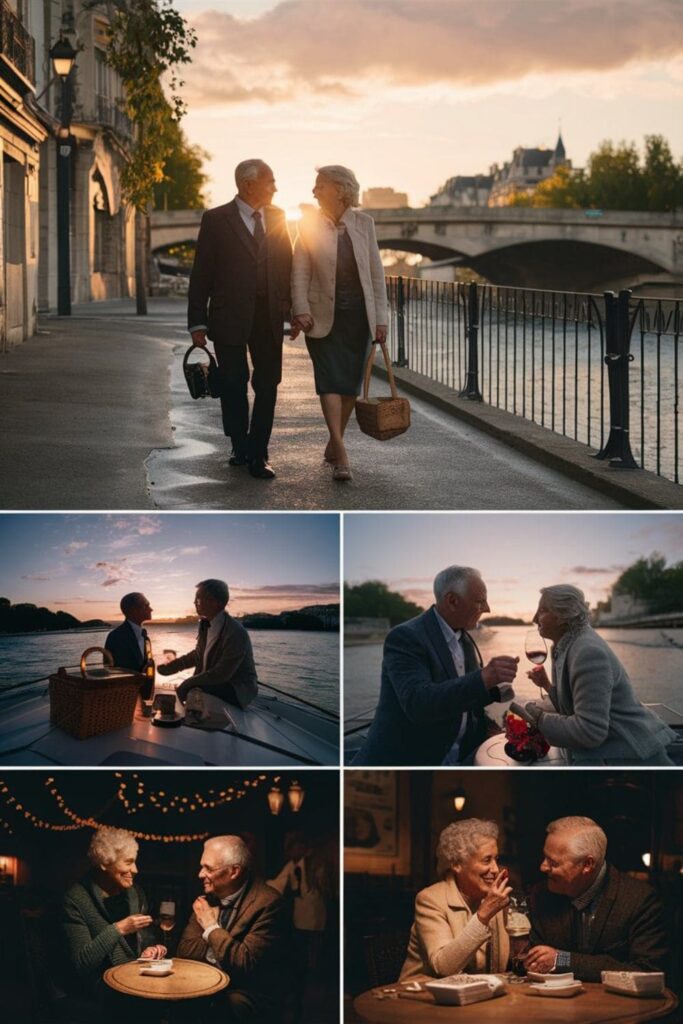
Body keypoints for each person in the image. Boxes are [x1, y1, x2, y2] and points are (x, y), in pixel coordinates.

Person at [187, 158, 293, 479]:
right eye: (270, 181)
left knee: (268, 384)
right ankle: (238, 445)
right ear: (249, 185)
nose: (275, 187)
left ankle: (258, 452)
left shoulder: (278, 217)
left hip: (268, 317)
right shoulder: (216, 220)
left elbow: (287, 267)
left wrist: (294, 310)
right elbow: (201, 273)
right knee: (234, 384)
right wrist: (197, 322)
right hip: (228, 315)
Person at [351, 566, 518, 766]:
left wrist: (490, 727)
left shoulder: (464, 638)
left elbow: (468, 699)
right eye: (480, 601)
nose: (487, 608)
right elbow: (418, 704)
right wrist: (484, 677)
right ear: (452, 601)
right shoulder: (405, 637)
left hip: (459, 756)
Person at [291, 165, 388, 482]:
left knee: (348, 387)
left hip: (358, 318)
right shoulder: (307, 225)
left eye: (320, 185)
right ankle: (341, 454)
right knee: (329, 382)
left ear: (339, 189)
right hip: (321, 316)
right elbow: (300, 270)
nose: (314, 191)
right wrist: (301, 307)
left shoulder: (364, 223)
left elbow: (376, 273)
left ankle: (334, 441)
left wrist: (381, 319)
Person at [522, 585, 675, 765]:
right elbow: (571, 707)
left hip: (629, 758)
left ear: (563, 615)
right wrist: (548, 687)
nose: (534, 618)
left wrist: (539, 719)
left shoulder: (588, 652)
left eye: (542, 610)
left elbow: (590, 731)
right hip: (608, 754)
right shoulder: (565, 645)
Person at [527, 816, 669, 981]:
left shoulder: (640, 901)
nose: (543, 867)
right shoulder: (540, 895)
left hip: (620, 1005)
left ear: (587, 864)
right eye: (545, 857)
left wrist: (563, 960)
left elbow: (648, 972)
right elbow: (531, 962)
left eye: (553, 863)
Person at [176, 835, 287, 1022]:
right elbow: (185, 951)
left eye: (208, 868)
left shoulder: (269, 903)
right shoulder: (208, 898)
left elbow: (244, 964)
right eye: (202, 866)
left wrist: (210, 927)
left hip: (248, 990)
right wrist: (225, 947)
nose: (200, 874)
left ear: (234, 871)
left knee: (223, 1007)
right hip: (206, 981)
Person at [401, 819, 511, 980]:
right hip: (423, 996)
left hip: (475, 997)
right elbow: (443, 967)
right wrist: (483, 916)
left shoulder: (493, 899)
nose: (495, 869)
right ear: (457, 864)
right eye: (487, 860)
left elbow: (498, 968)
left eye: (496, 859)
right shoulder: (430, 900)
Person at [62, 827, 165, 995]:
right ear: (104, 863)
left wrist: (148, 951)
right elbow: (81, 964)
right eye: (128, 862)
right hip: (97, 987)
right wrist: (119, 929)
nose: (136, 870)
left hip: (134, 978)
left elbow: (140, 943)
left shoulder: (135, 893)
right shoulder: (76, 899)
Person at [157, 578, 257, 707]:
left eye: (198, 599)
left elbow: (222, 673)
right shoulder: (206, 625)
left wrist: (188, 683)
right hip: (214, 685)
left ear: (216, 602)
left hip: (236, 690)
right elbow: (198, 654)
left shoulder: (235, 632)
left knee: (185, 694)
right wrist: (172, 667)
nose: (194, 602)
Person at [104, 592, 152, 675]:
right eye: (146, 605)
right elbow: (111, 670)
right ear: (134, 610)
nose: (151, 609)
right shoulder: (116, 637)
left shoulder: (144, 636)